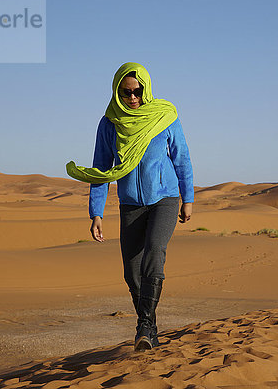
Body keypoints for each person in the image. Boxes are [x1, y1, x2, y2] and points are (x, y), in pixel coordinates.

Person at [66, 62, 194, 351]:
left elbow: (182, 160)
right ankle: (149, 324)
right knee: (131, 272)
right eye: (126, 92)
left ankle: (144, 326)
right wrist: (96, 213)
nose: (132, 97)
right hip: (130, 205)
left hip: (165, 199)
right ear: (116, 92)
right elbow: (102, 170)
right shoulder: (109, 124)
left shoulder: (165, 117)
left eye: (137, 91)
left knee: (154, 253)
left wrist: (188, 198)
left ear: (146, 90)